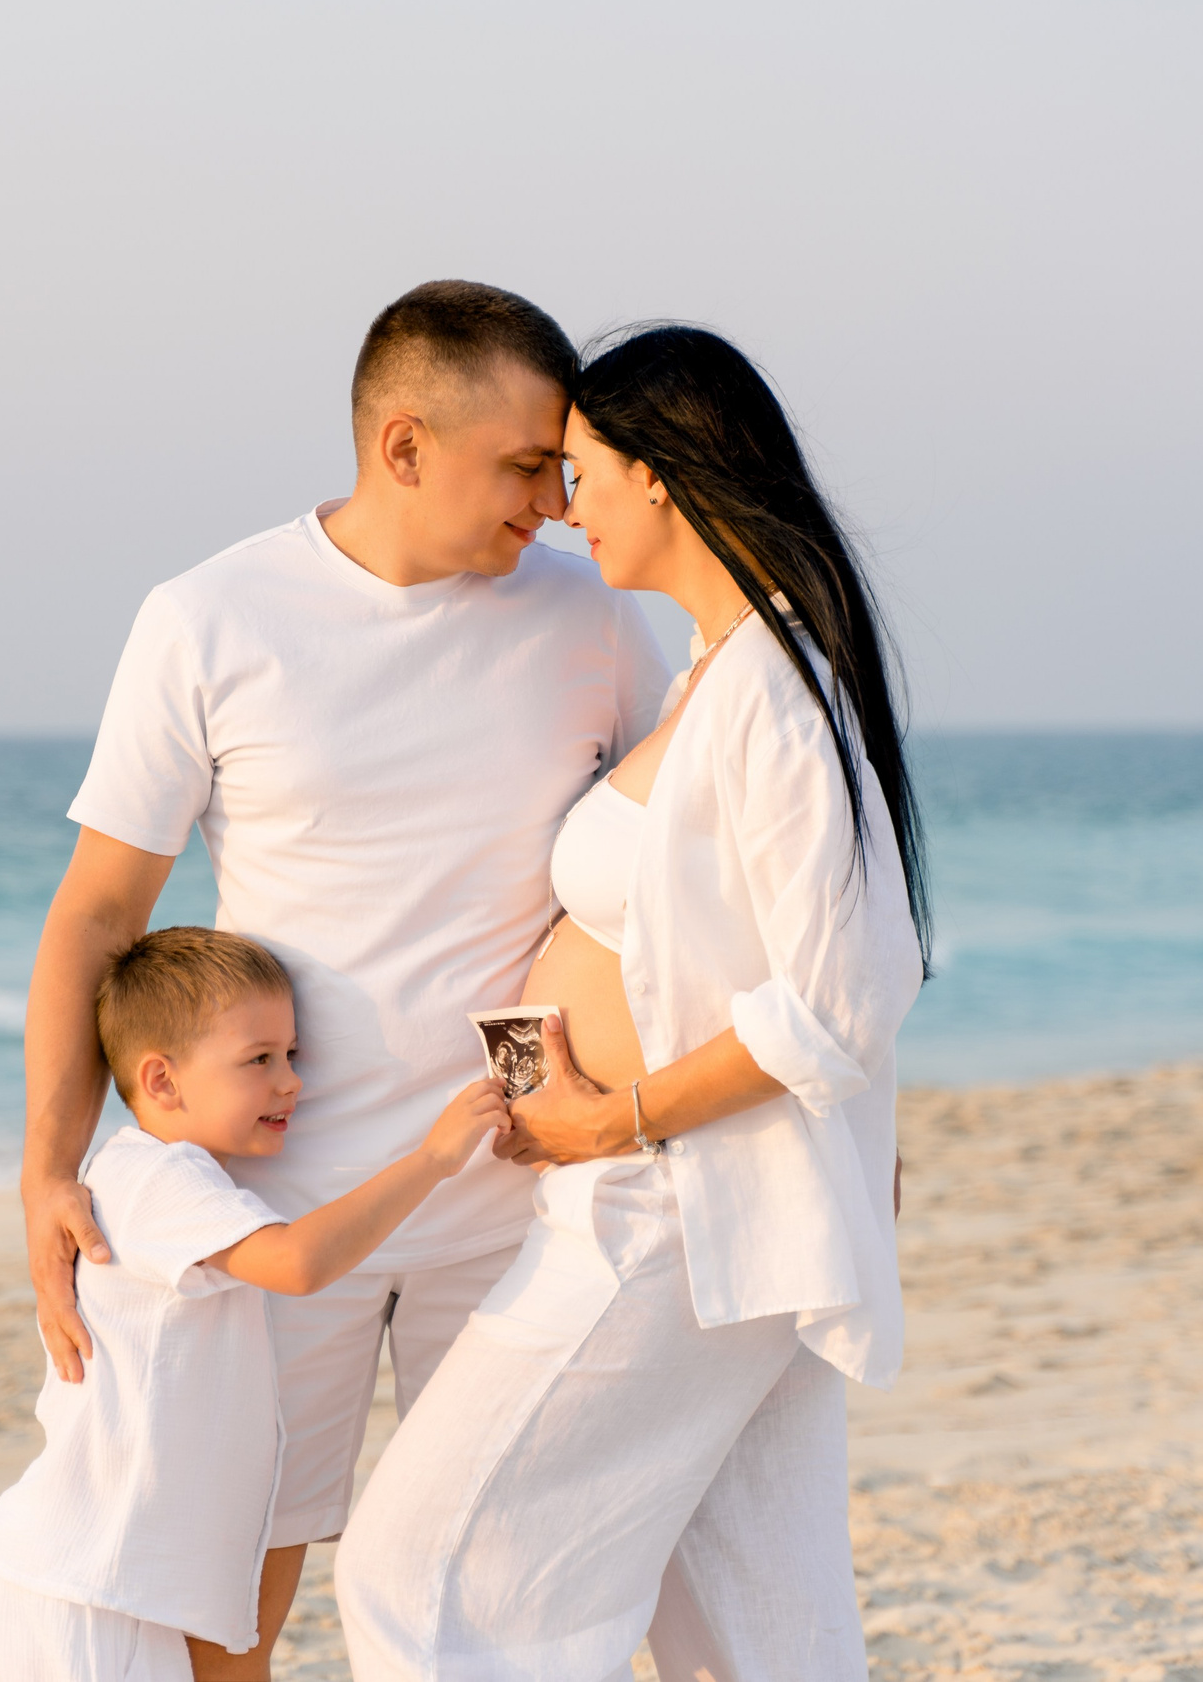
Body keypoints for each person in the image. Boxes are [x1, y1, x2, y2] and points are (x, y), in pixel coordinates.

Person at [19, 281, 672, 1674]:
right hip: (278, 1201)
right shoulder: (210, 617)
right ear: (404, 444)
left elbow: (689, 878)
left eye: (566, 468)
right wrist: (47, 1168)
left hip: (514, 1178)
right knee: (234, 1594)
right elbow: (96, 914)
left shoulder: (599, 620)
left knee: (506, 1583)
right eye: (521, 466)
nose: (555, 500)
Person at [336, 324, 935, 1681]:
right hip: (683, 1209)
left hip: (671, 1211)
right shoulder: (722, 675)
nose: (563, 506)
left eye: (584, 471)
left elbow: (842, 1000)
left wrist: (617, 1119)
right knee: (744, 1617)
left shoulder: (775, 693)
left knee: (417, 1573)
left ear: (662, 476)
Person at [0, 926, 510, 1681]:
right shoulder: (158, 1181)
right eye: (259, 1060)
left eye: (291, 1055)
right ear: (161, 1080)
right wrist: (434, 1157)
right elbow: (296, 1262)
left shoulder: (180, 1179)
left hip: (117, 1578)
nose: (290, 1081)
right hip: (88, 1580)